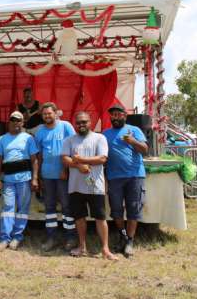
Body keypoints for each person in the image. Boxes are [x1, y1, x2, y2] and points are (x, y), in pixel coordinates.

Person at [61, 111, 117, 260]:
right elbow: (65, 159)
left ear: (90, 122)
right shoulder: (69, 140)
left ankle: (105, 249)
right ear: (75, 124)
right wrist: (78, 165)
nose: (81, 125)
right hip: (75, 186)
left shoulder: (100, 138)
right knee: (79, 218)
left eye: (84, 122)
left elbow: (102, 158)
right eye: (78, 122)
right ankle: (82, 247)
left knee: (100, 217)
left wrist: (81, 160)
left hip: (95, 186)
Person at [103, 104, 148, 258]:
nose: (115, 117)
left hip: (134, 176)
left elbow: (145, 149)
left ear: (124, 116)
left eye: (118, 114)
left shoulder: (134, 130)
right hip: (114, 177)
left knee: (133, 209)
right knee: (116, 210)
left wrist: (132, 141)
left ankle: (130, 241)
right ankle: (122, 236)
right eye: (113, 115)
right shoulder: (105, 134)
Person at [34, 102, 77, 252]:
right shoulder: (40, 131)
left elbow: (73, 148)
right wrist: (38, 176)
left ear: (56, 113)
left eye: (49, 113)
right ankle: (51, 237)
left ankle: (71, 237)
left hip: (63, 175)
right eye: (44, 114)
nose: (47, 116)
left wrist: (65, 169)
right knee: (49, 207)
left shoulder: (65, 126)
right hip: (47, 175)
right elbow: (38, 155)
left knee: (66, 206)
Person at [0, 111, 39, 250]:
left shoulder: (28, 138)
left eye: (18, 120)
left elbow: (34, 160)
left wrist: (35, 178)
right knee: (7, 208)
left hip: (25, 179)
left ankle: (17, 237)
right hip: (8, 179)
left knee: (22, 209)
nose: (15, 122)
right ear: (9, 122)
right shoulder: (2, 139)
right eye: (13, 119)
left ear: (22, 122)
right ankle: (4, 238)